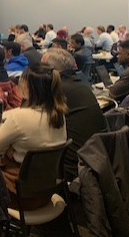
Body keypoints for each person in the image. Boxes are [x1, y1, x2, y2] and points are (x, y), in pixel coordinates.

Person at [0, 63, 67, 209]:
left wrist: (11, 151)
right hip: (47, 192)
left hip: (19, 196)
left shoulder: (20, 118)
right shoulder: (59, 115)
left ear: (28, 86)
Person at [41, 49, 107, 179]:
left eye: (42, 67)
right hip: (94, 160)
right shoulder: (83, 86)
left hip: (72, 167)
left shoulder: (56, 91)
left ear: (51, 71)